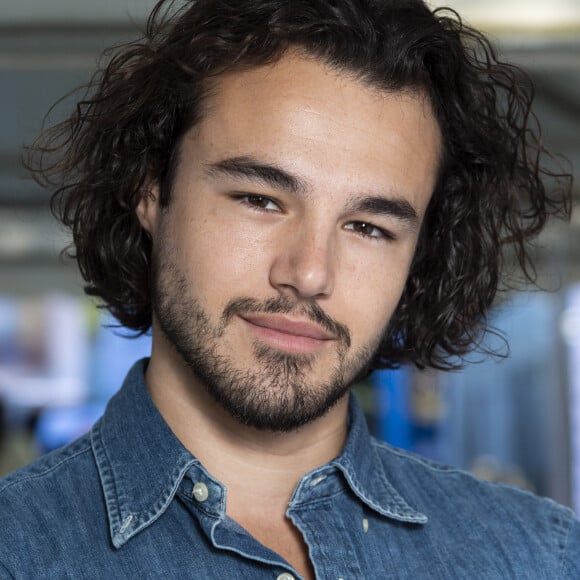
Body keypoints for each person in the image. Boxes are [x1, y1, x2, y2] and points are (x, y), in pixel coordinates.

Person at [0, 0, 577, 577]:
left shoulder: (539, 558)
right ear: (151, 191)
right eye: (260, 199)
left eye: (368, 227)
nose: (308, 274)